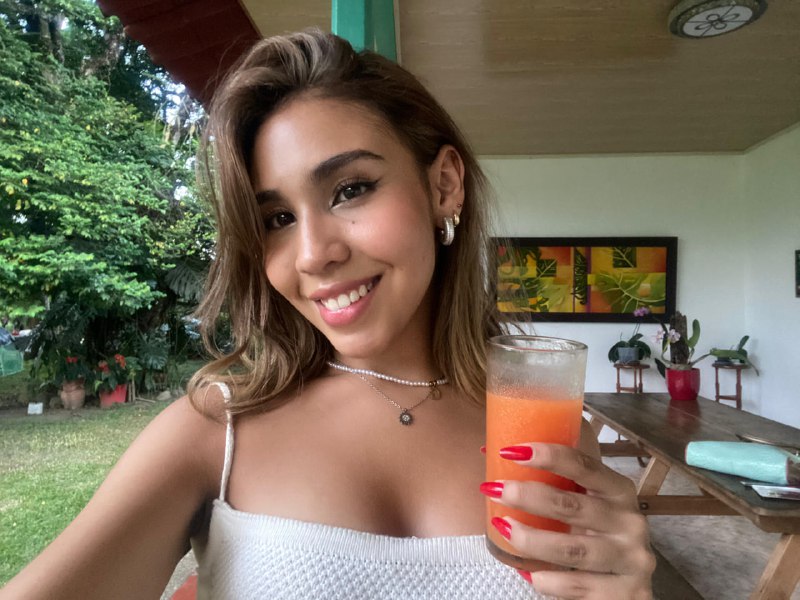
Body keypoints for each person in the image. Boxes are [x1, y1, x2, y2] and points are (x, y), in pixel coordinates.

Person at [2, 29, 654, 599]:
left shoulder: (548, 435)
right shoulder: (214, 433)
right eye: (277, 219)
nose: (314, 254)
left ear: (443, 185)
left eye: (350, 189)